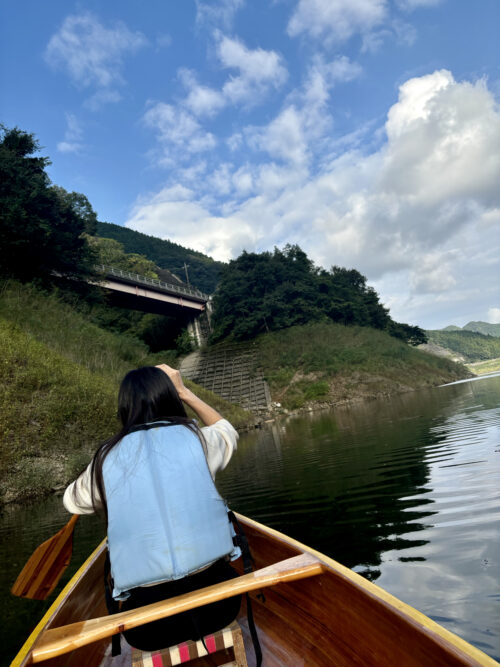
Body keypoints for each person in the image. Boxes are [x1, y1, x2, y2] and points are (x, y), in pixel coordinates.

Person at [63, 363, 242, 651]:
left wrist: (100, 470)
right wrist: (185, 391)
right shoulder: (200, 440)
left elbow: (72, 499)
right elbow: (226, 429)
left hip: (150, 628)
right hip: (219, 608)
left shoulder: (104, 459)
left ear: (125, 408)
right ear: (170, 397)